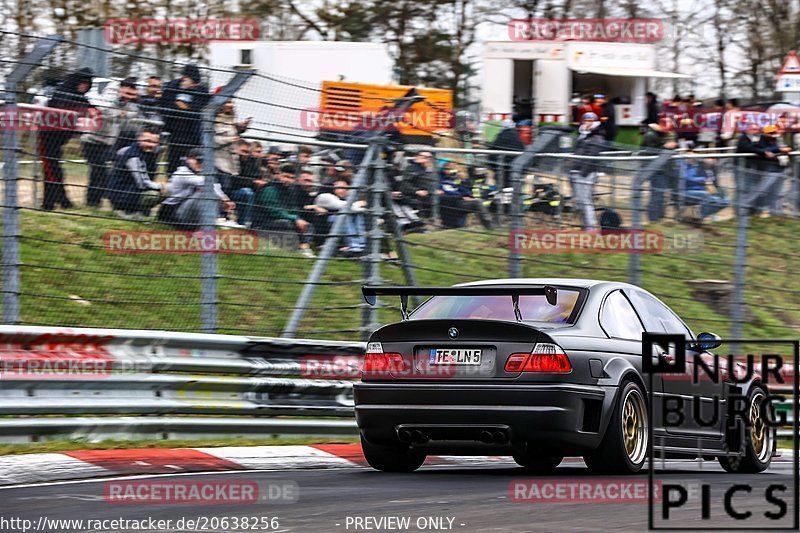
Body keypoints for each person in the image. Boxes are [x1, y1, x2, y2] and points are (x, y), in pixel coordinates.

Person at [38, 67, 97, 210]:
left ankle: (55, 202)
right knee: (52, 171)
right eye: (82, 83)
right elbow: (67, 106)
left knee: (53, 171)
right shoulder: (63, 91)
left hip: (59, 139)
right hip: (47, 137)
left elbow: (87, 107)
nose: (84, 86)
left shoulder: (78, 96)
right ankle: (55, 203)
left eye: (87, 84)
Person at [80, 77, 143, 207]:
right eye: (127, 93)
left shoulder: (126, 102)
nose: (129, 98)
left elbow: (133, 113)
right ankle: (105, 196)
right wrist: (120, 113)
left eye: (132, 95)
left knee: (96, 173)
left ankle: (93, 202)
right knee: (100, 171)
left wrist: (123, 113)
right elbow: (103, 110)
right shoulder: (110, 94)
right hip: (92, 139)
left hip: (108, 141)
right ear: (121, 88)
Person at [157, 148, 235, 229]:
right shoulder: (182, 172)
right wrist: (225, 199)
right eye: (198, 160)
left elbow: (215, 185)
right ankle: (206, 225)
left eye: (203, 161)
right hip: (172, 211)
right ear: (188, 159)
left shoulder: (200, 173)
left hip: (185, 208)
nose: (201, 164)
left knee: (208, 192)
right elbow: (205, 183)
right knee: (204, 192)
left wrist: (224, 199)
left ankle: (211, 222)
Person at [254, 163, 316, 257]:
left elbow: (293, 208)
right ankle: (300, 248)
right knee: (286, 223)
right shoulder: (269, 189)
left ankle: (304, 247)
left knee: (308, 226)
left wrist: (298, 219)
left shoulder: (289, 191)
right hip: (263, 224)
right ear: (278, 175)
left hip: (284, 220)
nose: (288, 180)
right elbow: (274, 211)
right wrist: (295, 219)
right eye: (286, 176)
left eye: (291, 178)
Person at [160, 64, 211, 174]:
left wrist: (180, 105)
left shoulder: (202, 91)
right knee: (173, 167)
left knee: (192, 166)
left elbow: (196, 112)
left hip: (193, 134)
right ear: (184, 78)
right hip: (174, 132)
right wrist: (183, 108)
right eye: (192, 83)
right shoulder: (172, 87)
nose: (194, 86)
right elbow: (164, 107)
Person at [107, 127, 164, 218]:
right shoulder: (134, 156)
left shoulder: (149, 154)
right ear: (139, 139)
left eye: (154, 142)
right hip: (121, 194)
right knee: (155, 194)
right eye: (147, 141)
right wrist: (162, 187)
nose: (151, 144)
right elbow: (142, 183)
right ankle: (124, 211)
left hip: (131, 191)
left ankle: (140, 211)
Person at [570, 112, 606, 230]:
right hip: (576, 171)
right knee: (579, 201)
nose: (588, 123)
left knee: (585, 201)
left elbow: (592, 155)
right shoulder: (582, 135)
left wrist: (583, 173)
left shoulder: (597, 137)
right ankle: (585, 225)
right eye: (586, 120)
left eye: (591, 121)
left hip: (586, 173)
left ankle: (590, 227)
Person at [314, 178, 367, 254]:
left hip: (342, 225)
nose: (341, 190)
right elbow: (348, 207)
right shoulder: (326, 197)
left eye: (345, 188)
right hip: (327, 225)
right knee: (345, 215)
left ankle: (361, 244)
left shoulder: (350, 198)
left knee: (357, 215)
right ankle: (354, 246)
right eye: (338, 188)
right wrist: (362, 205)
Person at [680, 144, 730, 222]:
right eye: (709, 157)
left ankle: (707, 213)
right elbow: (686, 178)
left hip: (707, 189)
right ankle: (702, 216)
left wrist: (714, 190)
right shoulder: (685, 165)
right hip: (691, 190)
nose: (711, 160)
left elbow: (712, 182)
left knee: (726, 199)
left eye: (713, 158)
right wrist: (703, 180)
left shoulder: (706, 166)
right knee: (708, 196)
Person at [641, 121, 678, 222]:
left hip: (665, 168)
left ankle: (659, 216)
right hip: (655, 169)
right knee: (657, 194)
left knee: (662, 195)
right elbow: (650, 152)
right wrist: (665, 147)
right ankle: (654, 218)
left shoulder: (667, 134)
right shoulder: (650, 135)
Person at [753, 124, 792, 218]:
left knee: (776, 190)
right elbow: (761, 149)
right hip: (768, 167)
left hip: (779, 166)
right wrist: (779, 149)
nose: (773, 134)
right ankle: (757, 210)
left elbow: (786, 148)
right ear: (765, 133)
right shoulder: (761, 140)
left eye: (774, 132)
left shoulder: (776, 139)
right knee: (763, 189)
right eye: (770, 133)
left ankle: (776, 212)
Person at [736, 122, 763, 214]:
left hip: (756, 167)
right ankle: (742, 211)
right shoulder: (743, 138)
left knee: (755, 188)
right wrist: (761, 150)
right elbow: (746, 148)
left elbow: (763, 147)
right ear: (747, 129)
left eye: (756, 129)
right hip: (743, 167)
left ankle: (754, 210)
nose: (755, 131)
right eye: (753, 129)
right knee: (743, 188)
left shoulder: (759, 138)